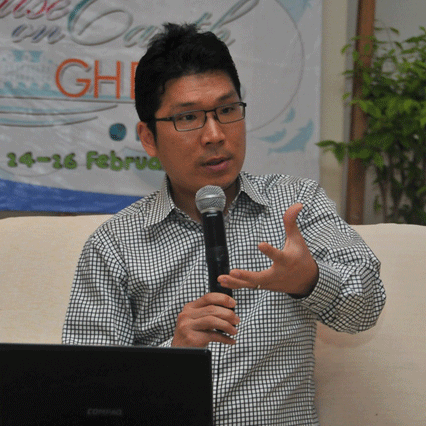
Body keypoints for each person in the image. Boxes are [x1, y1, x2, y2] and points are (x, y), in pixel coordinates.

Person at [62, 23, 386, 425]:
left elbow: (367, 309)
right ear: (149, 138)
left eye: (227, 110)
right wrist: (173, 356)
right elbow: (87, 395)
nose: (215, 135)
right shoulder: (115, 244)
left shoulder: (296, 205)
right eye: (188, 117)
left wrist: (310, 279)